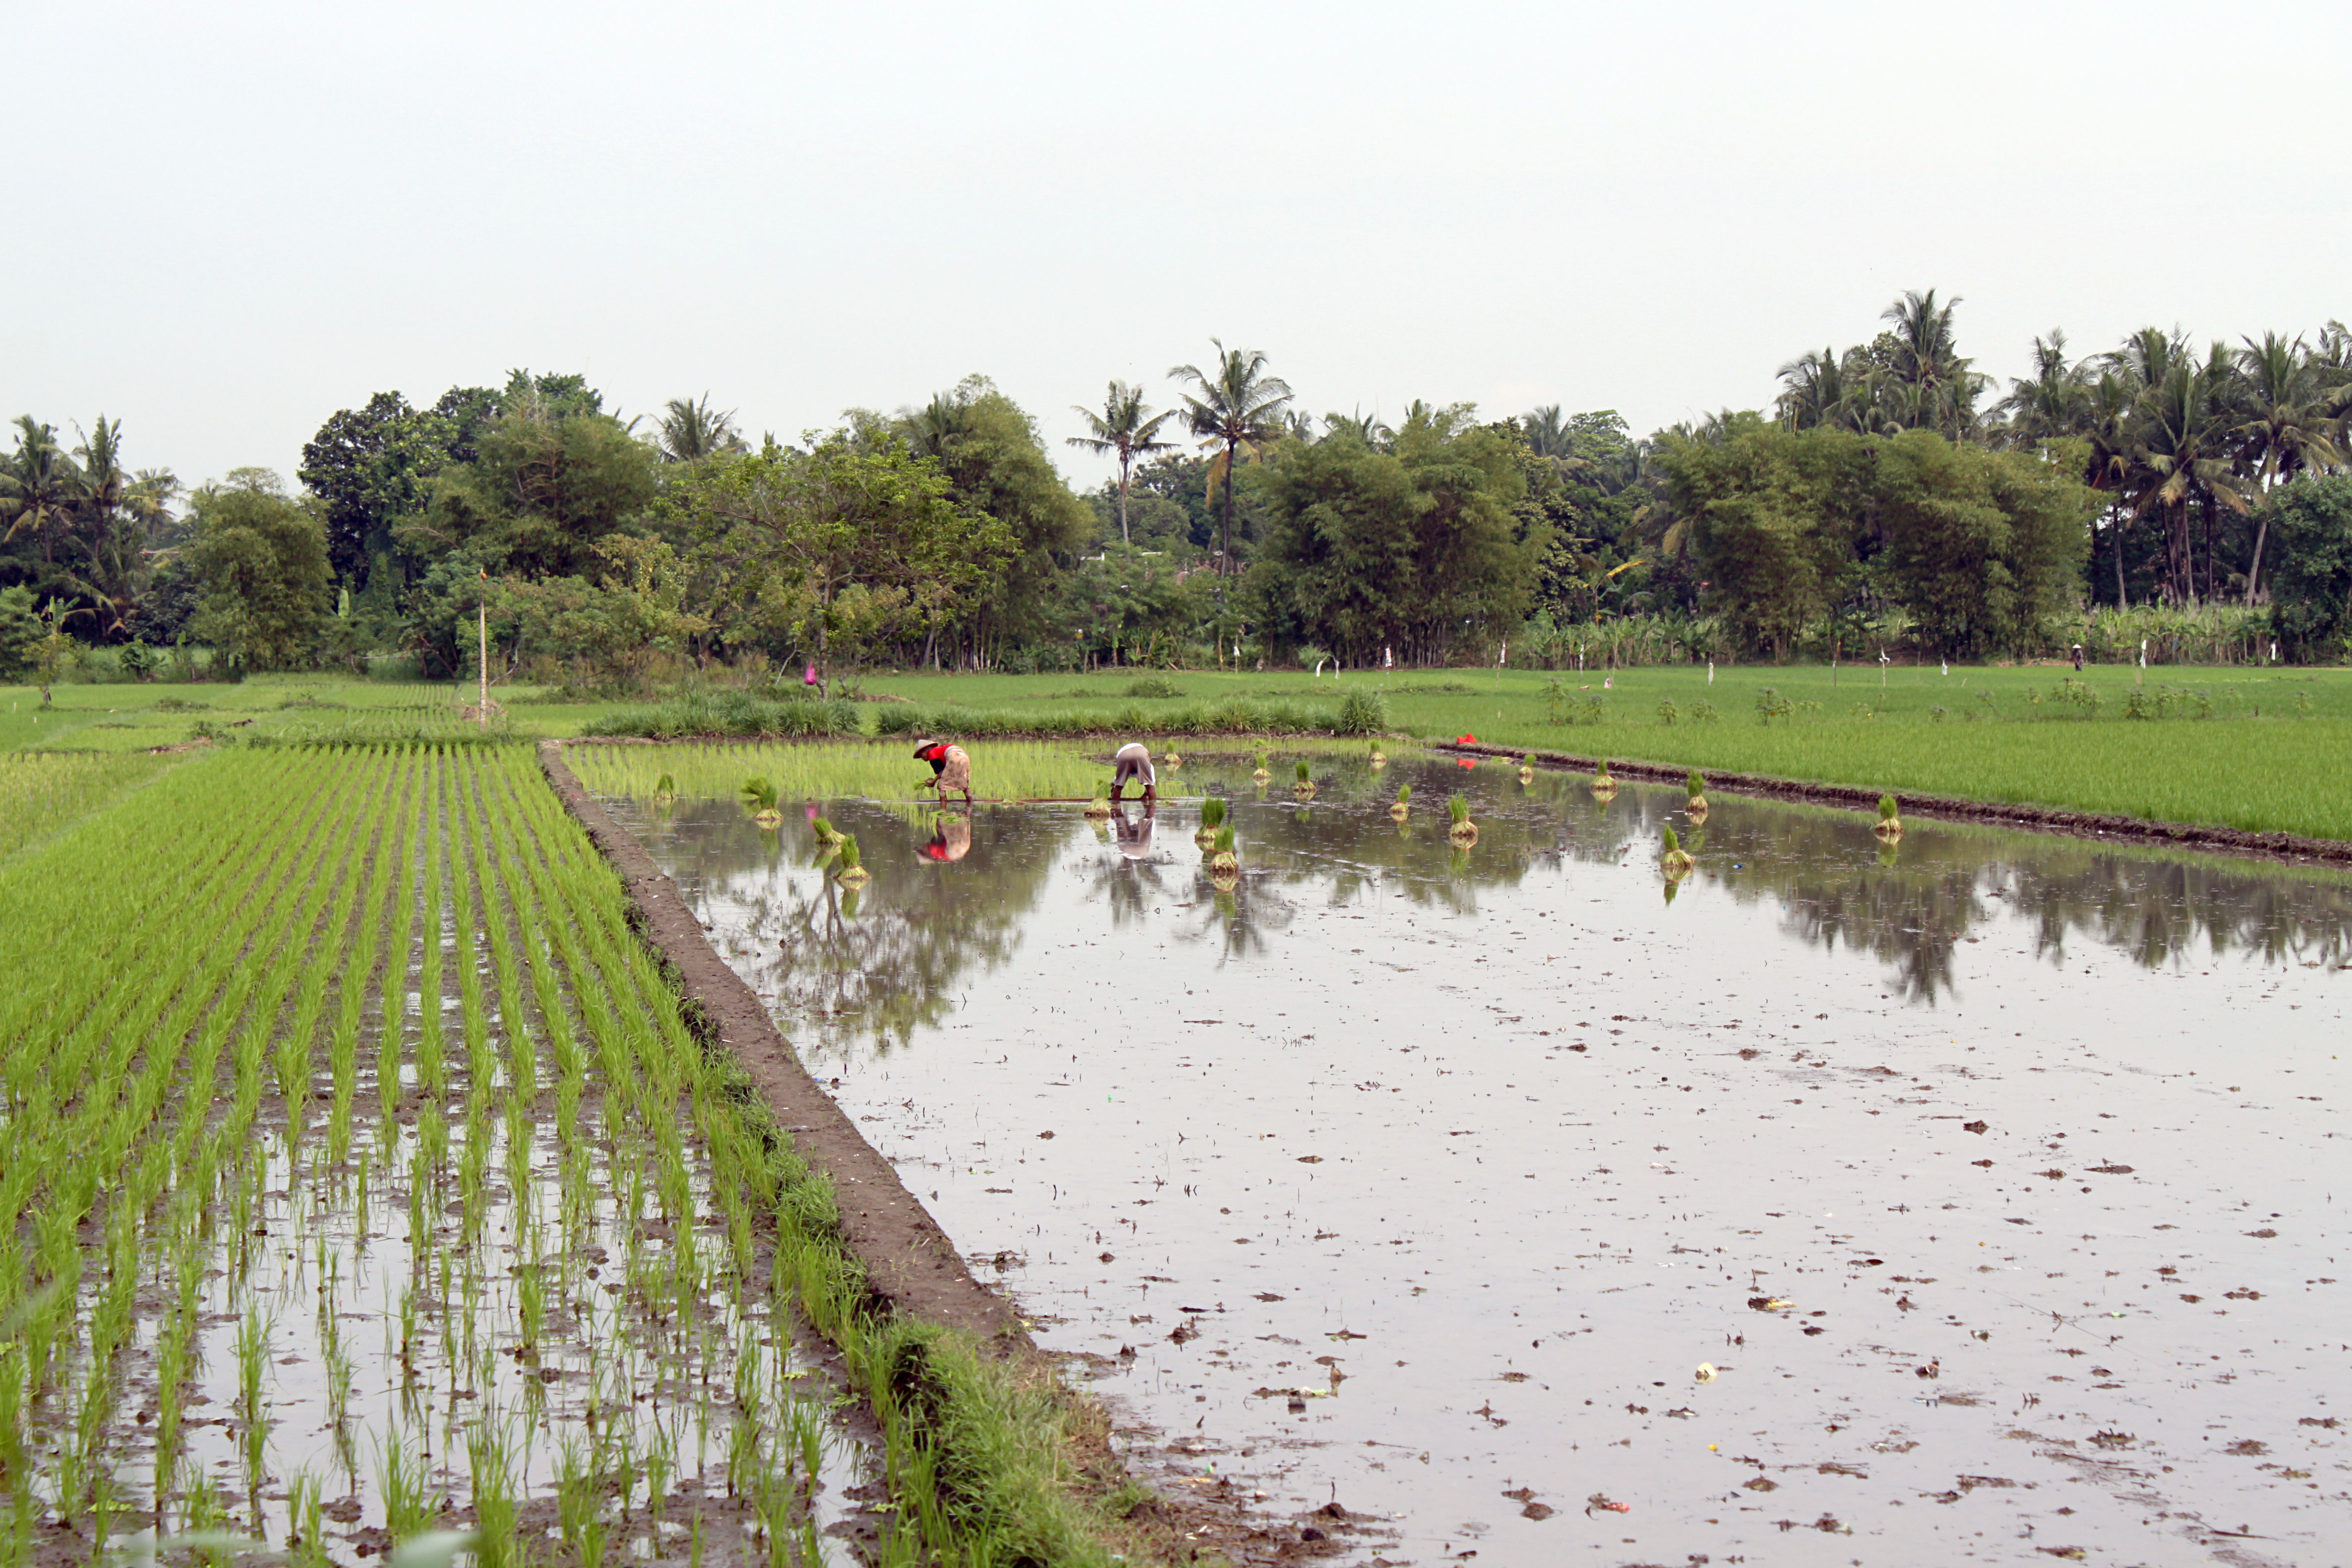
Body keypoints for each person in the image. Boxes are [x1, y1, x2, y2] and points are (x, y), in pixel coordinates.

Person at [912, 738, 973, 805]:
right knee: (964, 782)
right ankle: (970, 804)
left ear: (926, 750)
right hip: (964, 756)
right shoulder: (939, 750)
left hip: (952, 756)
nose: (923, 758)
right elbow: (944, 771)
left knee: (942, 785)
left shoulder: (932, 754)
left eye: (922, 755)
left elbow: (941, 772)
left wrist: (933, 782)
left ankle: (943, 808)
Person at [1109, 740, 1156, 804]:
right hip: (1141, 754)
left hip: (1123, 755)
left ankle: (1115, 806)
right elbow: (1151, 784)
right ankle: (1153, 806)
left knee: (1119, 785)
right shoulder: (1150, 767)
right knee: (1149, 785)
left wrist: (1113, 789)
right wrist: (1146, 795)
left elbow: (1116, 781)